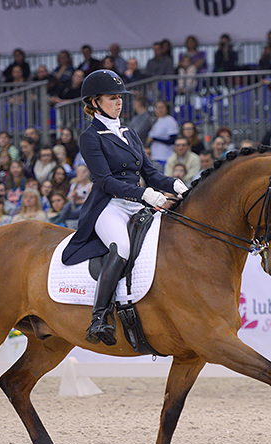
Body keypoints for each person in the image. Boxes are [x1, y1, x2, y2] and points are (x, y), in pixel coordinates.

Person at [61, 69, 187, 346]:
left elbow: (151, 173)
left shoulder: (130, 133)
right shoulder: (91, 137)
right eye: (112, 98)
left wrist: (176, 185)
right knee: (122, 247)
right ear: (94, 102)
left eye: (120, 97)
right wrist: (145, 194)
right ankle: (99, 318)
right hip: (109, 206)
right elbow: (106, 182)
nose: (119, 102)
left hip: (137, 203)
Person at [146, 100, 179, 167]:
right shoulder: (157, 121)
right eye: (157, 108)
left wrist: (155, 139)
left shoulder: (170, 121)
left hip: (165, 156)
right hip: (155, 155)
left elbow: (172, 140)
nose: (159, 110)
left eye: (161, 107)